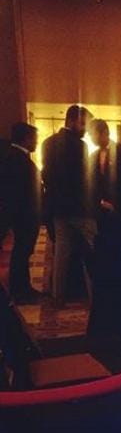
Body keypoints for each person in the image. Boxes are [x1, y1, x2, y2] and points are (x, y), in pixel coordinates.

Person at [40, 104, 95, 307]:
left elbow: (46, 175)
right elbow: (84, 180)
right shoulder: (80, 146)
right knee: (91, 252)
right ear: (71, 121)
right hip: (79, 208)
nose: (85, 129)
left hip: (57, 207)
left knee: (61, 255)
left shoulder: (48, 143)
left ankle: (58, 296)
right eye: (83, 124)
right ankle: (94, 296)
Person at [0, 122, 42, 302]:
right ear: (26, 138)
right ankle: (20, 291)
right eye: (35, 139)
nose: (36, 142)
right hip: (23, 215)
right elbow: (17, 192)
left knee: (23, 252)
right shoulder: (17, 159)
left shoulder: (14, 156)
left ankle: (23, 287)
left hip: (23, 214)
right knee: (22, 252)